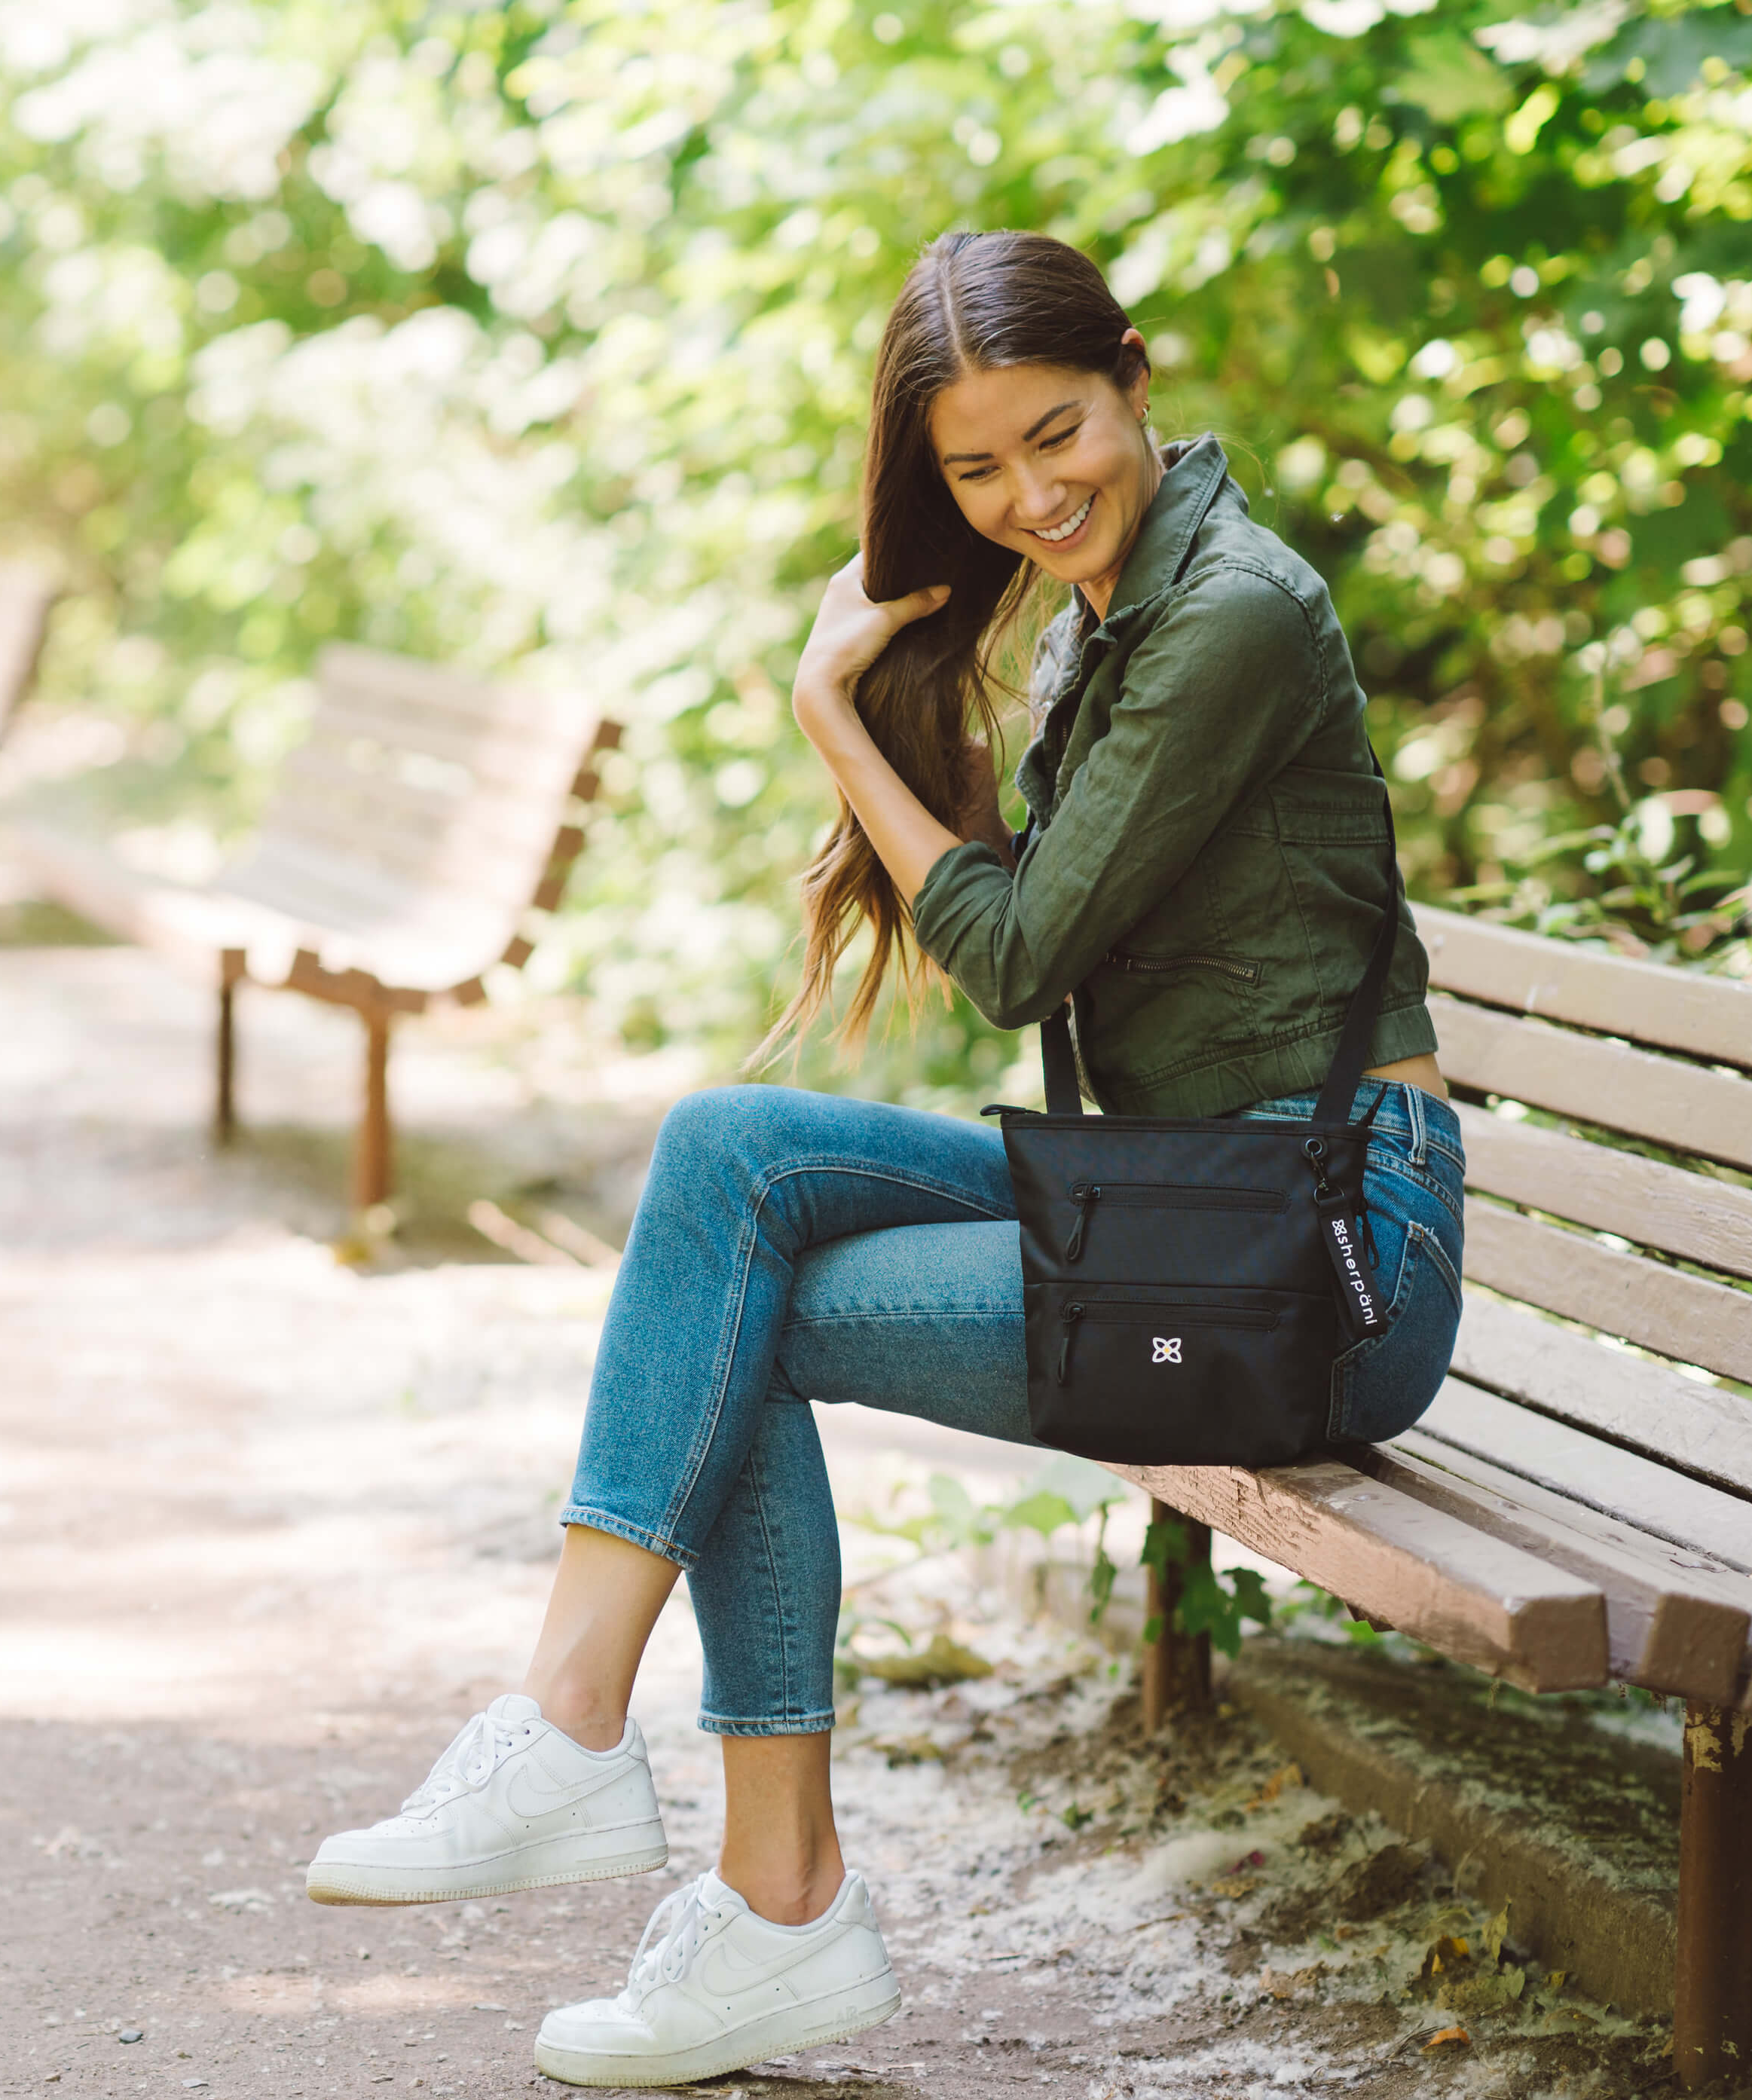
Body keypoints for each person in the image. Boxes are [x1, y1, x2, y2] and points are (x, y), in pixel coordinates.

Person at [303, 231, 1465, 2089]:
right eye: (976, 471)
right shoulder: (1105, 614)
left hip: (1326, 1257)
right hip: (1185, 1208)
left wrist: (830, 712)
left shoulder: (1230, 609)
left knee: (736, 1302)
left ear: (1135, 380)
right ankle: (603, 1754)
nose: (1029, 495)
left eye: (1057, 434)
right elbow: (1027, 930)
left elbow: (1013, 954)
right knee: (726, 1163)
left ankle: (734, 1872)